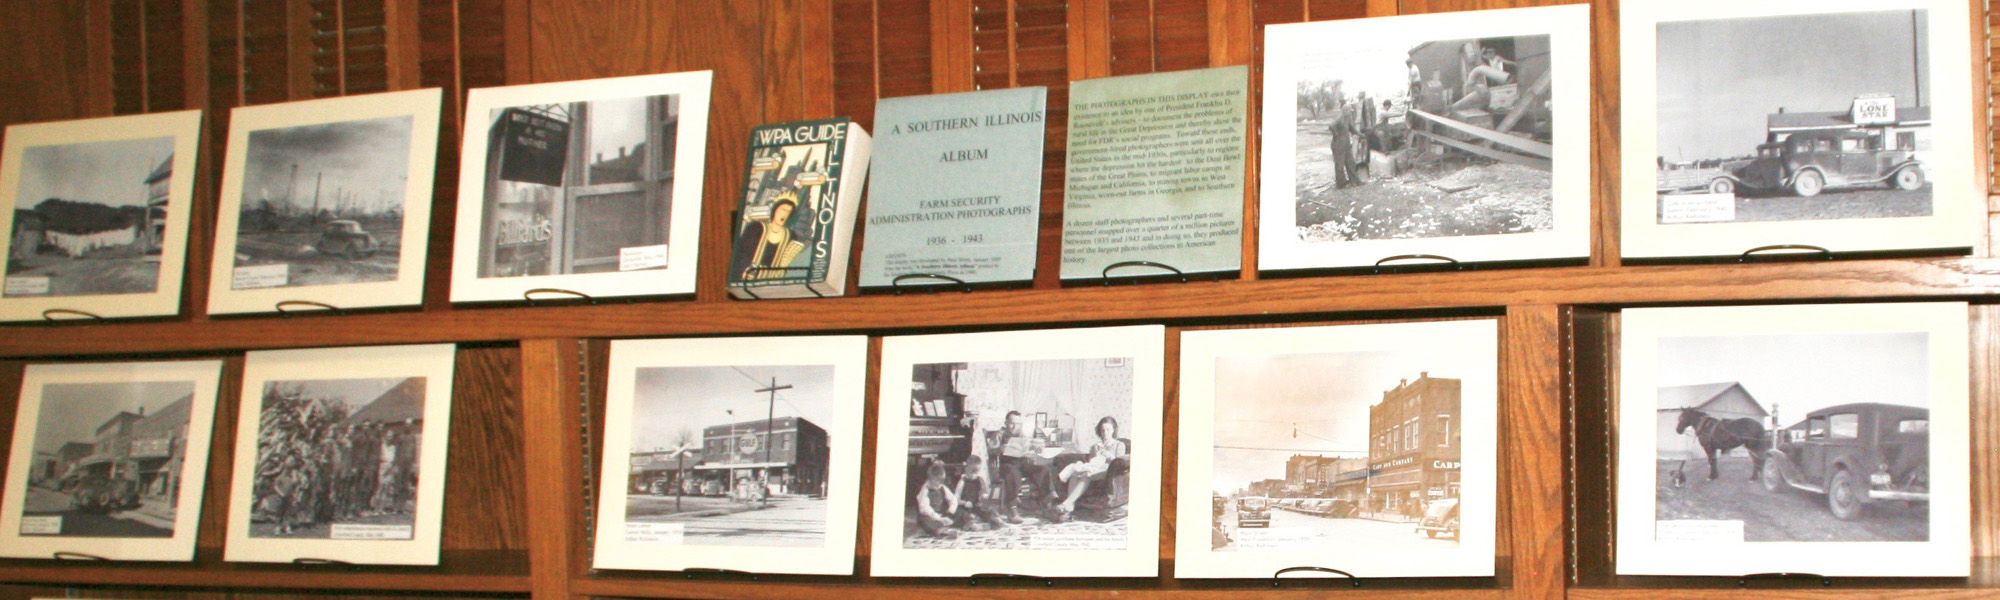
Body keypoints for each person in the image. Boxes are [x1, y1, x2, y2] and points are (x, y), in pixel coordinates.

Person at [1054, 416, 1128, 521]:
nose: (1105, 432)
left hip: (1108, 470)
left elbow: (1120, 462)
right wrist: (1095, 456)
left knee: (1087, 474)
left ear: (1113, 430)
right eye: (1102, 430)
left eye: (1108, 429)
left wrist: (1109, 456)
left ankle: (1066, 504)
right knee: (1077, 473)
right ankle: (1069, 507)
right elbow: (1091, 462)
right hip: (1094, 468)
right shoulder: (1095, 446)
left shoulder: (1119, 445)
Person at [991, 410, 1052, 521]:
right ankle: (1012, 507)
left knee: (1043, 469)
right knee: (1013, 474)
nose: (1015, 426)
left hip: (1022, 463)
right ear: (1006, 423)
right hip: (1006, 464)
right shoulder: (999, 434)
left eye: (1018, 423)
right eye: (1012, 423)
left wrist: (1035, 449)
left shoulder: (1021, 434)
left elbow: (1027, 450)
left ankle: (1046, 503)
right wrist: (1001, 449)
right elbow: (991, 450)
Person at [733, 191, 807, 280]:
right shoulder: (756, 228)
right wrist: (745, 271)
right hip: (746, 278)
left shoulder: (790, 236)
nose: (785, 214)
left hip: (771, 280)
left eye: (789, 212)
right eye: (782, 210)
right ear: (775, 210)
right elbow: (740, 254)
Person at [952, 454, 1007, 531]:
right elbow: (955, 499)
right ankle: (974, 525)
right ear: (967, 469)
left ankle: (994, 522)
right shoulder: (963, 481)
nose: (974, 474)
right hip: (964, 508)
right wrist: (964, 503)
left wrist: (988, 497)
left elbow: (983, 494)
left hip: (976, 506)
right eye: (972, 471)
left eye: (976, 472)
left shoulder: (980, 480)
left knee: (989, 512)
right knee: (966, 516)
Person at [914, 461, 960, 539]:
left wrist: (950, 511)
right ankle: (941, 531)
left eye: (940, 483)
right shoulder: (924, 490)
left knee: (959, 511)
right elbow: (924, 508)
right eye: (935, 483)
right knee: (924, 520)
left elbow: (953, 499)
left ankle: (969, 522)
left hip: (942, 514)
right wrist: (938, 518)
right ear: (929, 479)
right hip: (930, 515)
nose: (938, 486)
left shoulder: (942, 487)